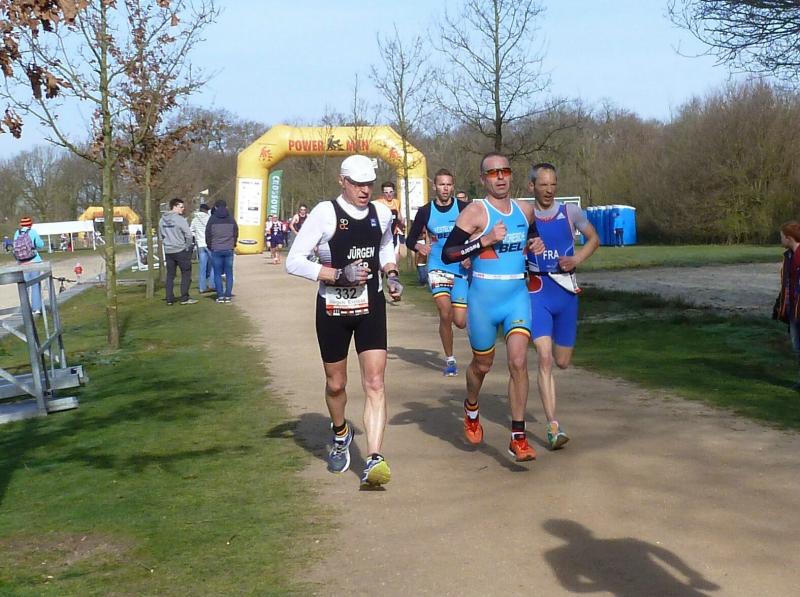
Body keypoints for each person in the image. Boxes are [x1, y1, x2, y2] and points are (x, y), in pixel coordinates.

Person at [286, 154, 403, 488]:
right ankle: (340, 433)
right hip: (333, 309)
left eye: (369, 184)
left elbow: (385, 246)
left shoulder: (381, 213)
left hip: (370, 306)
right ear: (342, 181)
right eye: (357, 184)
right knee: (336, 384)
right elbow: (294, 261)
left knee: (375, 383)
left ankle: (374, 458)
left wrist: (391, 274)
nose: (365, 191)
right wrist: (338, 274)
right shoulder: (325, 213)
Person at [442, 152, 544, 462]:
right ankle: (472, 407)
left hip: (516, 297)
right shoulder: (475, 212)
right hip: (483, 300)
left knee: (518, 362)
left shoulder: (525, 210)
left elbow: (532, 236)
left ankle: (518, 437)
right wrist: (483, 240)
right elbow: (449, 253)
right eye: (492, 172)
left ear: (511, 175)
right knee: (482, 365)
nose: (500, 177)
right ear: (483, 178)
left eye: (505, 171)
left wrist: (535, 243)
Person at [526, 163, 599, 449]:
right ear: (532, 186)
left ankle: (553, 421)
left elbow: (594, 239)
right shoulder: (525, 215)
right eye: (543, 184)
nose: (549, 190)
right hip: (538, 293)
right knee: (544, 358)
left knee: (562, 361)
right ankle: (553, 426)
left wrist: (576, 259)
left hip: (566, 294)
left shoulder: (570, 212)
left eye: (553, 184)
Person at [406, 168, 471, 376]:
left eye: (449, 184)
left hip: (459, 268)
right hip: (437, 267)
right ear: (434, 186)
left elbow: (477, 233)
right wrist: (419, 247)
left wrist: (470, 254)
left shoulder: (464, 208)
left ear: (453, 186)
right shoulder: (425, 211)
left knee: (460, 321)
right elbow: (410, 239)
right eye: (442, 184)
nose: (445, 188)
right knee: (445, 312)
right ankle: (450, 360)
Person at [774, 220, 800, 390]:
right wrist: (780, 304)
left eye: (782, 236)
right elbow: (787, 283)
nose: (781, 239)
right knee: (797, 347)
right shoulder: (788, 256)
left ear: (789, 237)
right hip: (792, 310)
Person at [159, 197, 197, 305]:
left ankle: (169, 298)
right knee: (186, 273)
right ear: (174, 206)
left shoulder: (162, 220)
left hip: (168, 251)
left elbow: (161, 236)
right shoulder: (180, 219)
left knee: (170, 275)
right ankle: (184, 298)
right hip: (180, 250)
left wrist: (167, 243)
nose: (183, 209)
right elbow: (188, 235)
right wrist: (187, 246)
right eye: (181, 207)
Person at [205, 199, 238, 304]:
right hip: (229, 249)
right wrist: (233, 244)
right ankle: (228, 295)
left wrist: (210, 246)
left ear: (215, 207)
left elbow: (208, 234)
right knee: (229, 273)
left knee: (217, 273)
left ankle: (220, 296)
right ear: (226, 207)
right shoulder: (231, 218)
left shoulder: (212, 219)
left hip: (216, 249)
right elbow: (236, 232)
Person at [13, 216, 46, 315]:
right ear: (30, 225)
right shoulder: (33, 232)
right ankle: (36, 309)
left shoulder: (17, 233)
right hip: (34, 261)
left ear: (21, 224)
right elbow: (40, 245)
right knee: (35, 285)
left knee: (24, 286)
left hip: (22, 263)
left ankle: (26, 308)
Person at [374, 181, 405, 262]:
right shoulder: (378, 203)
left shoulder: (397, 202)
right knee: (382, 262)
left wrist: (402, 222)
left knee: (394, 262)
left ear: (394, 192)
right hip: (382, 236)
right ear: (383, 193)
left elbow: (400, 218)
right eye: (386, 192)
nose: (389, 194)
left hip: (394, 235)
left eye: (391, 192)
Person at [190, 203, 215, 294]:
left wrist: (196, 236)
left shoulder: (195, 219)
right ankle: (212, 284)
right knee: (214, 265)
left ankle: (202, 287)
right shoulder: (210, 219)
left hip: (200, 244)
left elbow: (191, 231)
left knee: (202, 267)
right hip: (209, 244)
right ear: (206, 210)